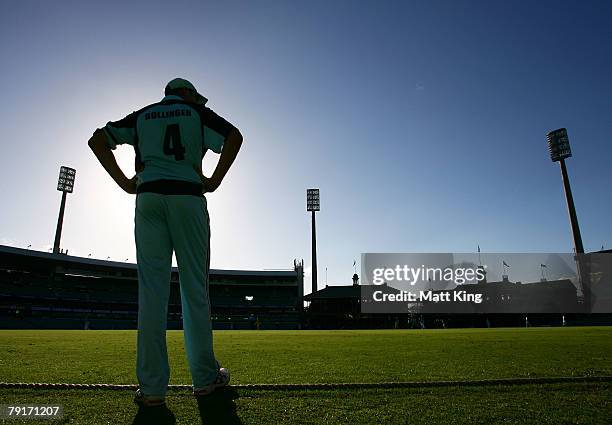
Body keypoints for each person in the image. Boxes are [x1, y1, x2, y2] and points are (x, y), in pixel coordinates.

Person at [88, 78, 243, 414]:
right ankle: (204, 379)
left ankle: (152, 388)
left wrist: (124, 182)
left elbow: (97, 139)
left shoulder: (143, 114)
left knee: (152, 292)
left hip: (149, 198)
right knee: (194, 292)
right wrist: (214, 180)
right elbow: (235, 136)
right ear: (186, 94)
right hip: (187, 197)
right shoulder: (196, 113)